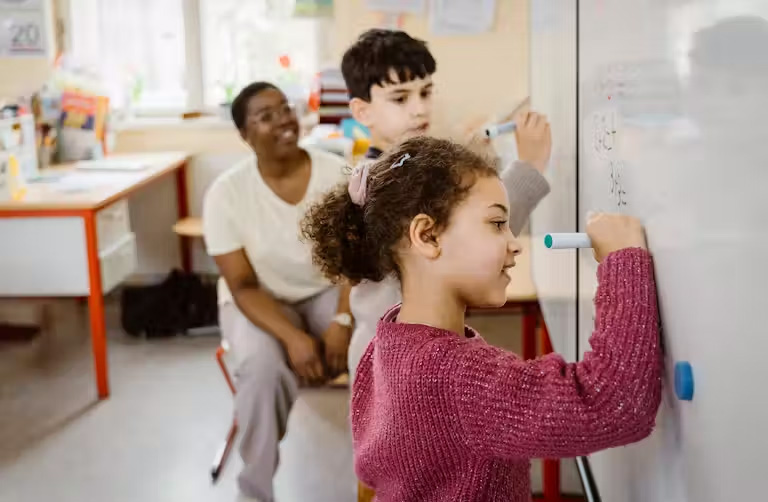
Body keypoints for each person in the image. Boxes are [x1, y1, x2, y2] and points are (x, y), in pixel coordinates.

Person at [302, 137, 662, 502]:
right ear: (427, 236)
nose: (514, 243)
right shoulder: (454, 377)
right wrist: (623, 260)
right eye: (496, 223)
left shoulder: (386, 342)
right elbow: (614, 405)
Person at [340, 29, 553, 379]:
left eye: (425, 92)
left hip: (399, 350)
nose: (419, 108)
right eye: (400, 98)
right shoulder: (381, 181)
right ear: (362, 111)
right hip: (388, 359)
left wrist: (467, 164)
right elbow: (474, 234)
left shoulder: (399, 168)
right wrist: (528, 167)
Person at [202, 82, 353, 502]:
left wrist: (343, 319)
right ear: (244, 135)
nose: (283, 120)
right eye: (265, 116)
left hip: (329, 290)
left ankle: (388, 479)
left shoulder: (335, 173)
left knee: (376, 350)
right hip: (261, 302)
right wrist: (294, 338)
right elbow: (243, 286)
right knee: (261, 370)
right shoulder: (226, 194)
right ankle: (255, 492)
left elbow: (354, 257)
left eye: (285, 109)